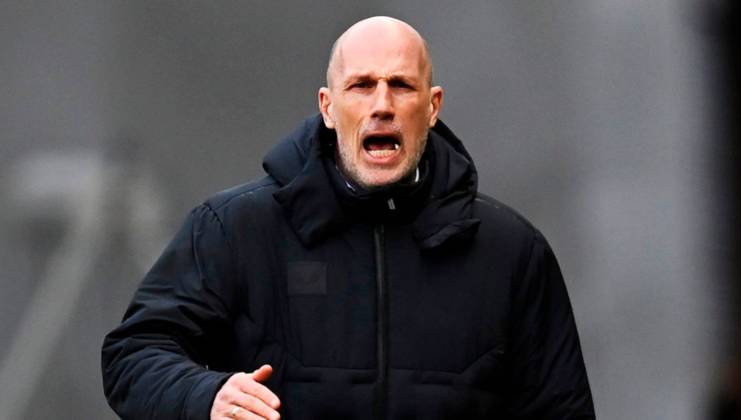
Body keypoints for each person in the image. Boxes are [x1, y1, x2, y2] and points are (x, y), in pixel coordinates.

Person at [102, 16, 595, 420]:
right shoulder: (234, 230)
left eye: (401, 85)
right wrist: (205, 396)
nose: (382, 104)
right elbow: (133, 354)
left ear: (432, 107)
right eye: (361, 85)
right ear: (328, 107)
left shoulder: (510, 252)